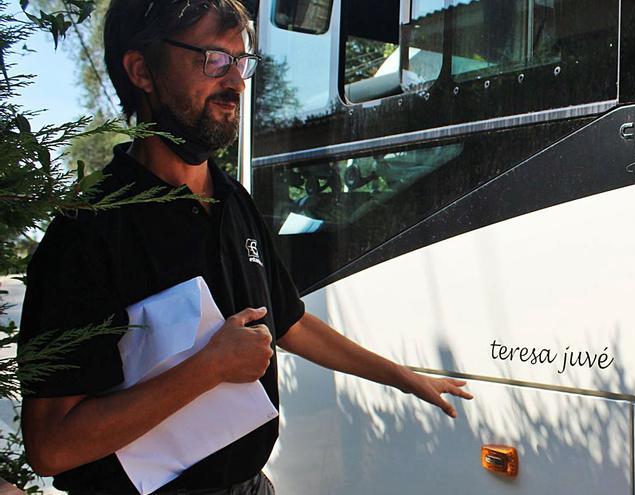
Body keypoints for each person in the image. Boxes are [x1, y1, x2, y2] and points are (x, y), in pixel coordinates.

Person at [18, 1, 472, 493]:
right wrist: (209, 368)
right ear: (142, 71)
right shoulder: (88, 230)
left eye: (241, 61)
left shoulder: (234, 200)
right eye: (213, 58)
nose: (235, 81)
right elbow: (50, 447)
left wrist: (402, 377)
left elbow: (289, 320)